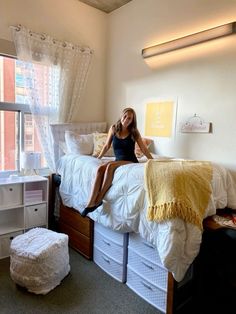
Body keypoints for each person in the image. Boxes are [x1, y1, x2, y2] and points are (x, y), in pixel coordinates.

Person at [81, 107, 153, 217]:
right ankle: (90, 203)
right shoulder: (114, 128)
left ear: (132, 120)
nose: (126, 120)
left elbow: (143, 149)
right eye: (125, 116)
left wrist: (152, 160)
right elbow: (106, 146)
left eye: (129, 118)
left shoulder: (134, 131)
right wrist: (98, 157)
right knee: (100, 169)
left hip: (130, 160)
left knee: (109, 166)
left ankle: (99, 198)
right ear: (121, 116)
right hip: (118, 160)